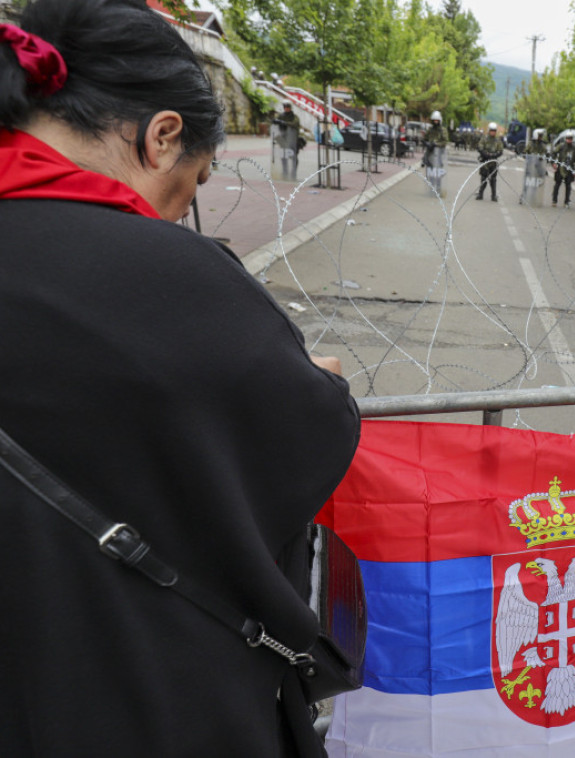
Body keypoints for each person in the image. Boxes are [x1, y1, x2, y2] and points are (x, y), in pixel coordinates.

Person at [0, 3, 360, 757]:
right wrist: (318, 383)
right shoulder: (173, 276)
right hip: (140, 688)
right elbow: (307, 428)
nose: (176, 214)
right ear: (160, 136)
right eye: (190, 188)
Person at [551, 133, 575, 208]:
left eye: (570, 138)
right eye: (568, 138)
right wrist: (553, 163)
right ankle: (554, 200)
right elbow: (553, 153)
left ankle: (566, 201)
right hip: (561, 167)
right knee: (557, 184)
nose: (569, 140)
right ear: (566, 138)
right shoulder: (561, 146)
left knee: (568, 186)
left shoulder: (574, 148)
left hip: (569, 169)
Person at [476, 121, 503, 201]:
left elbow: (500, 150)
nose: (493, 132)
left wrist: (495, 155)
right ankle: (480, 194)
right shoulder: (484, 139)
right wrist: (485, 154)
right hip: (485, 161)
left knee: (493, 180)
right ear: (489, 130)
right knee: (483, 178)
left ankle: (493, 195)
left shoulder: (498, 141)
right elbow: (480, 147)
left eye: (494, 131)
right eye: (491, 130)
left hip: (493, 163)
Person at [273, 101, 300, 180]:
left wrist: (284, 123)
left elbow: (295, 124)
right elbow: (275, 122)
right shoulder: (281, 116)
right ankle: (285, 173)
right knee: (283, 156)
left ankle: (293, 174)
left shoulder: (294, 116)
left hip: (292, 139)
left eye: (287, 107)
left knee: (294, 157)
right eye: (285, 107)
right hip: (283, 139)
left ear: (290, 108)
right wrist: (275, 122)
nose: (286, 109)